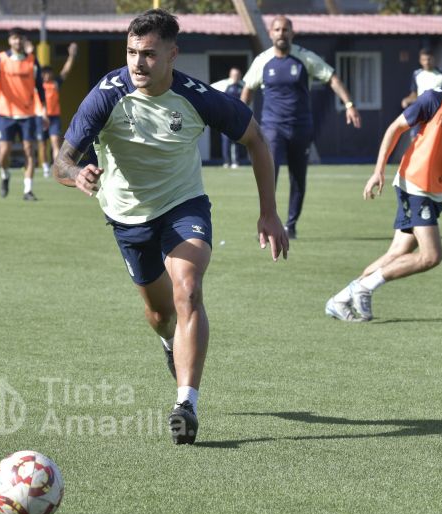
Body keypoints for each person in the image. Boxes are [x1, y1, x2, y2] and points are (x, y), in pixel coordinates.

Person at [53, 9, 288, 445]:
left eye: (148, 54)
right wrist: (76, 174)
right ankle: (170, 344)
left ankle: (186, 405)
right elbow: (61, 161)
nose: (137, 63)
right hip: (127, 216)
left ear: (172, 55)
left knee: (188, 288)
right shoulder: (107, 94)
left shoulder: (197, 97)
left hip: (184, 205)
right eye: (131, 53)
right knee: (161, 316)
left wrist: (269, 212)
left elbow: (256, 139)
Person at [325, 40, 442, 322]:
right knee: (431, 255)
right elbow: (396, 128)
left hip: (437, 189)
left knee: (399, 251)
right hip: (415, 181)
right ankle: (364, 287)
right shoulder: (437, 97)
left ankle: (340, 299)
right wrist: (378, 171)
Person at [240, 15, 361, 239]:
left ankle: (291, 225)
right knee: (269, 175)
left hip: (301, 128)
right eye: (277, 30)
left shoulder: (305, 58)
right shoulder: (262, 61)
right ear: (271, 33)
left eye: (286, 30)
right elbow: (247, 90)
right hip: (272, 128)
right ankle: (267, 221)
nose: (281, 34)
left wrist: (349, 104)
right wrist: (236, 117)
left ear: (292, 33)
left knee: (298, 177)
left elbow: (332, 78)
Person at [0, 27, 46, 201]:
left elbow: (40, 88)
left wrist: (44, 111)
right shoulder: (0, 59)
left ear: (24, 41)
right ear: (10, 41)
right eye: (14, 39)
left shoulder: (32, 61)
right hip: (5, 112)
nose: (17, 42)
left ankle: (28, 190)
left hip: (28, 113)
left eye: (20, 39)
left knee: (28, 151)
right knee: (4, 152)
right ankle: (5, 175)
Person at [37, 42, 78, 178]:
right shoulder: (38, 86)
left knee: (55, 143)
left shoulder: (55, 83)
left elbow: (65, 71)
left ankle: (55, 167)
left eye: (49, 73)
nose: (47, 75)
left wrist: (71, 56)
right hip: (41, 118)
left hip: (54, 117)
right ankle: (45, 168)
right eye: (45, 73)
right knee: (42, 145)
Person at [401, 48, 442, 139]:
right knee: (415, 139)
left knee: (435, 139)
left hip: (437, 113)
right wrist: (407, 100)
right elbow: (414, 94)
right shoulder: (416, 74)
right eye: (424, 60)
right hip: (421, 112)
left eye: (429, 59)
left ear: (433, 59)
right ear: (420, 61)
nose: (426, 62)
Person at [210, 67, 245, 169]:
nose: (236, 76)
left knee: (237, 140)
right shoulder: (224, 84)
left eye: (237, 75)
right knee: (226, 141)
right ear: (230, 75)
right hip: (225, 118)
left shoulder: (243, 85)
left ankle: (236, 162)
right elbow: (209, 90)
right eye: (234, 75)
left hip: (238, 118)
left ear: (240, 76)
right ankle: (226, 161)